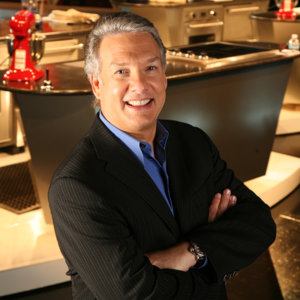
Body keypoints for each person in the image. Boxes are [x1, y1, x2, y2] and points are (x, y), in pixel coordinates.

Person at [49, 12, 276, 299]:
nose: (141, 86)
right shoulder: (77, 185)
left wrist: (189, 252)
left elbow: (259, 222)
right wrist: (213, 258)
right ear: (96, 84)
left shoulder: (193, 141)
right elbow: (135, 293)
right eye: (121, 72)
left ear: (165, 77)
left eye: (151, 68)